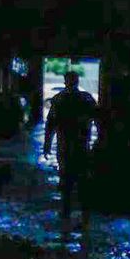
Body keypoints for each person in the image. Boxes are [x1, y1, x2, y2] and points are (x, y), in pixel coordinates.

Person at [42, 70, 98, 225]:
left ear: (66, 81)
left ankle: (66, 211)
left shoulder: (59, 99)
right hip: (81, 145)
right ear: (77, 81)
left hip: (65, 145)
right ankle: (85, 213)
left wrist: (47, 144)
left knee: (66, 178)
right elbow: (99, 119)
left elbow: (50, 124)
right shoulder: (86, 99)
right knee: (82, 179)